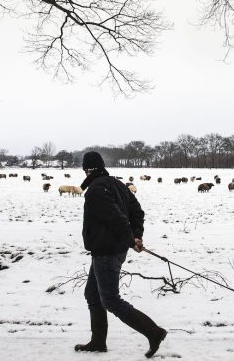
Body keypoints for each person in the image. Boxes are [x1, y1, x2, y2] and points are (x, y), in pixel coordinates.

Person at [74, 151, 167, 358]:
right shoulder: (117, 184)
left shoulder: (96, 189)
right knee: (93, 294)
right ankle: (98, 342)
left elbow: (115, 218)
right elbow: (137, 212)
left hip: (107, 251)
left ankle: (154, 332)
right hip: (111, 249)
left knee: (110, 300)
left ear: (88, 169)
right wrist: (135, 236)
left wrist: (132, 238)